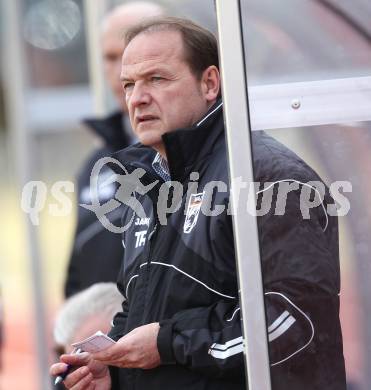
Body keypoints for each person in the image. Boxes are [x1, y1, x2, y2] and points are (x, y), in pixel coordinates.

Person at [51, 17, 346, 389]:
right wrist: (113, 370)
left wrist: (169, 342)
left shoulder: (269, 179)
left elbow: (292, 322)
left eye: (156, 79)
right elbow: (141, 312)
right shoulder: (145, 182)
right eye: (130, 84)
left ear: (209, 83)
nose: (136, 98)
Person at [64, 2, 164, 298]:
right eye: (110, 57)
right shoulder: (95, 165)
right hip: (106, 336)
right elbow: (78, 269)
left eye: (132, 55)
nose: (121, 71)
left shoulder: (203, 154)